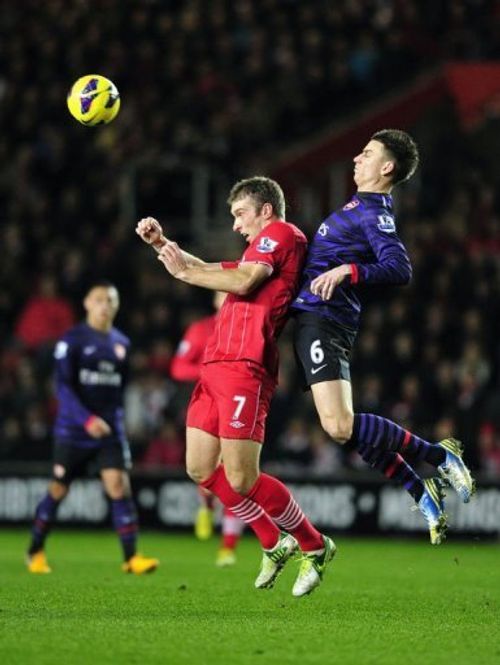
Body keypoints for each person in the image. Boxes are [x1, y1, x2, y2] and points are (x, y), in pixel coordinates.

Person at [136, 176, 335, 597]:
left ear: (265, 210)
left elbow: (241, 281)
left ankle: (315, 545)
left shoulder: (282, 234)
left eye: (239, 214)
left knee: (243, 478)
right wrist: (162, 245)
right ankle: (273, 541)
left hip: (247, 367)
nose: (235, 225)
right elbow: (207, 269)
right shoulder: (255, 253)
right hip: (215, 366)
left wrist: (188, 275)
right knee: (200, 469)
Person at [291, 128, 476, 545]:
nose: (357, 158)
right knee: (347, 428)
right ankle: (421, 491)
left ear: (386, 167)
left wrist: (348, 272)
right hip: (315, 320)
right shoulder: (357, 206)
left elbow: (399, 267)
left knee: (339, 427)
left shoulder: (374, 213)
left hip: (325, 319)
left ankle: (439, 456)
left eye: (367, 153)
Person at [26, 281, 159, 575]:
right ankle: (35, 551)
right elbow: (62, 387)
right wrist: (86, 419)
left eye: (110, 300)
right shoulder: (72, 339)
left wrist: (116, 422)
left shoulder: (121, 342)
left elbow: (119, 389)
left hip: (109, 430)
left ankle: (131, 557)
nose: (105, 305)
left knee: (118, 486)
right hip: (74, 430)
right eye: (99, 299)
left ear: (117, 305)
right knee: (59, 489)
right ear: (87, 303)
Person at [170, 291, 246, 567]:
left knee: (235, 473)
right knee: (206, 472)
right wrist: (208, 373)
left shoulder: (246, 327)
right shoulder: (200, 329)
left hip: (238, 404)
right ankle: (206, 503)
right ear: (214, 299)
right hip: (205, 404)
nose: (226, 297)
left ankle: (227, 548)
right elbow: (178, 367)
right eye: (221, 293)